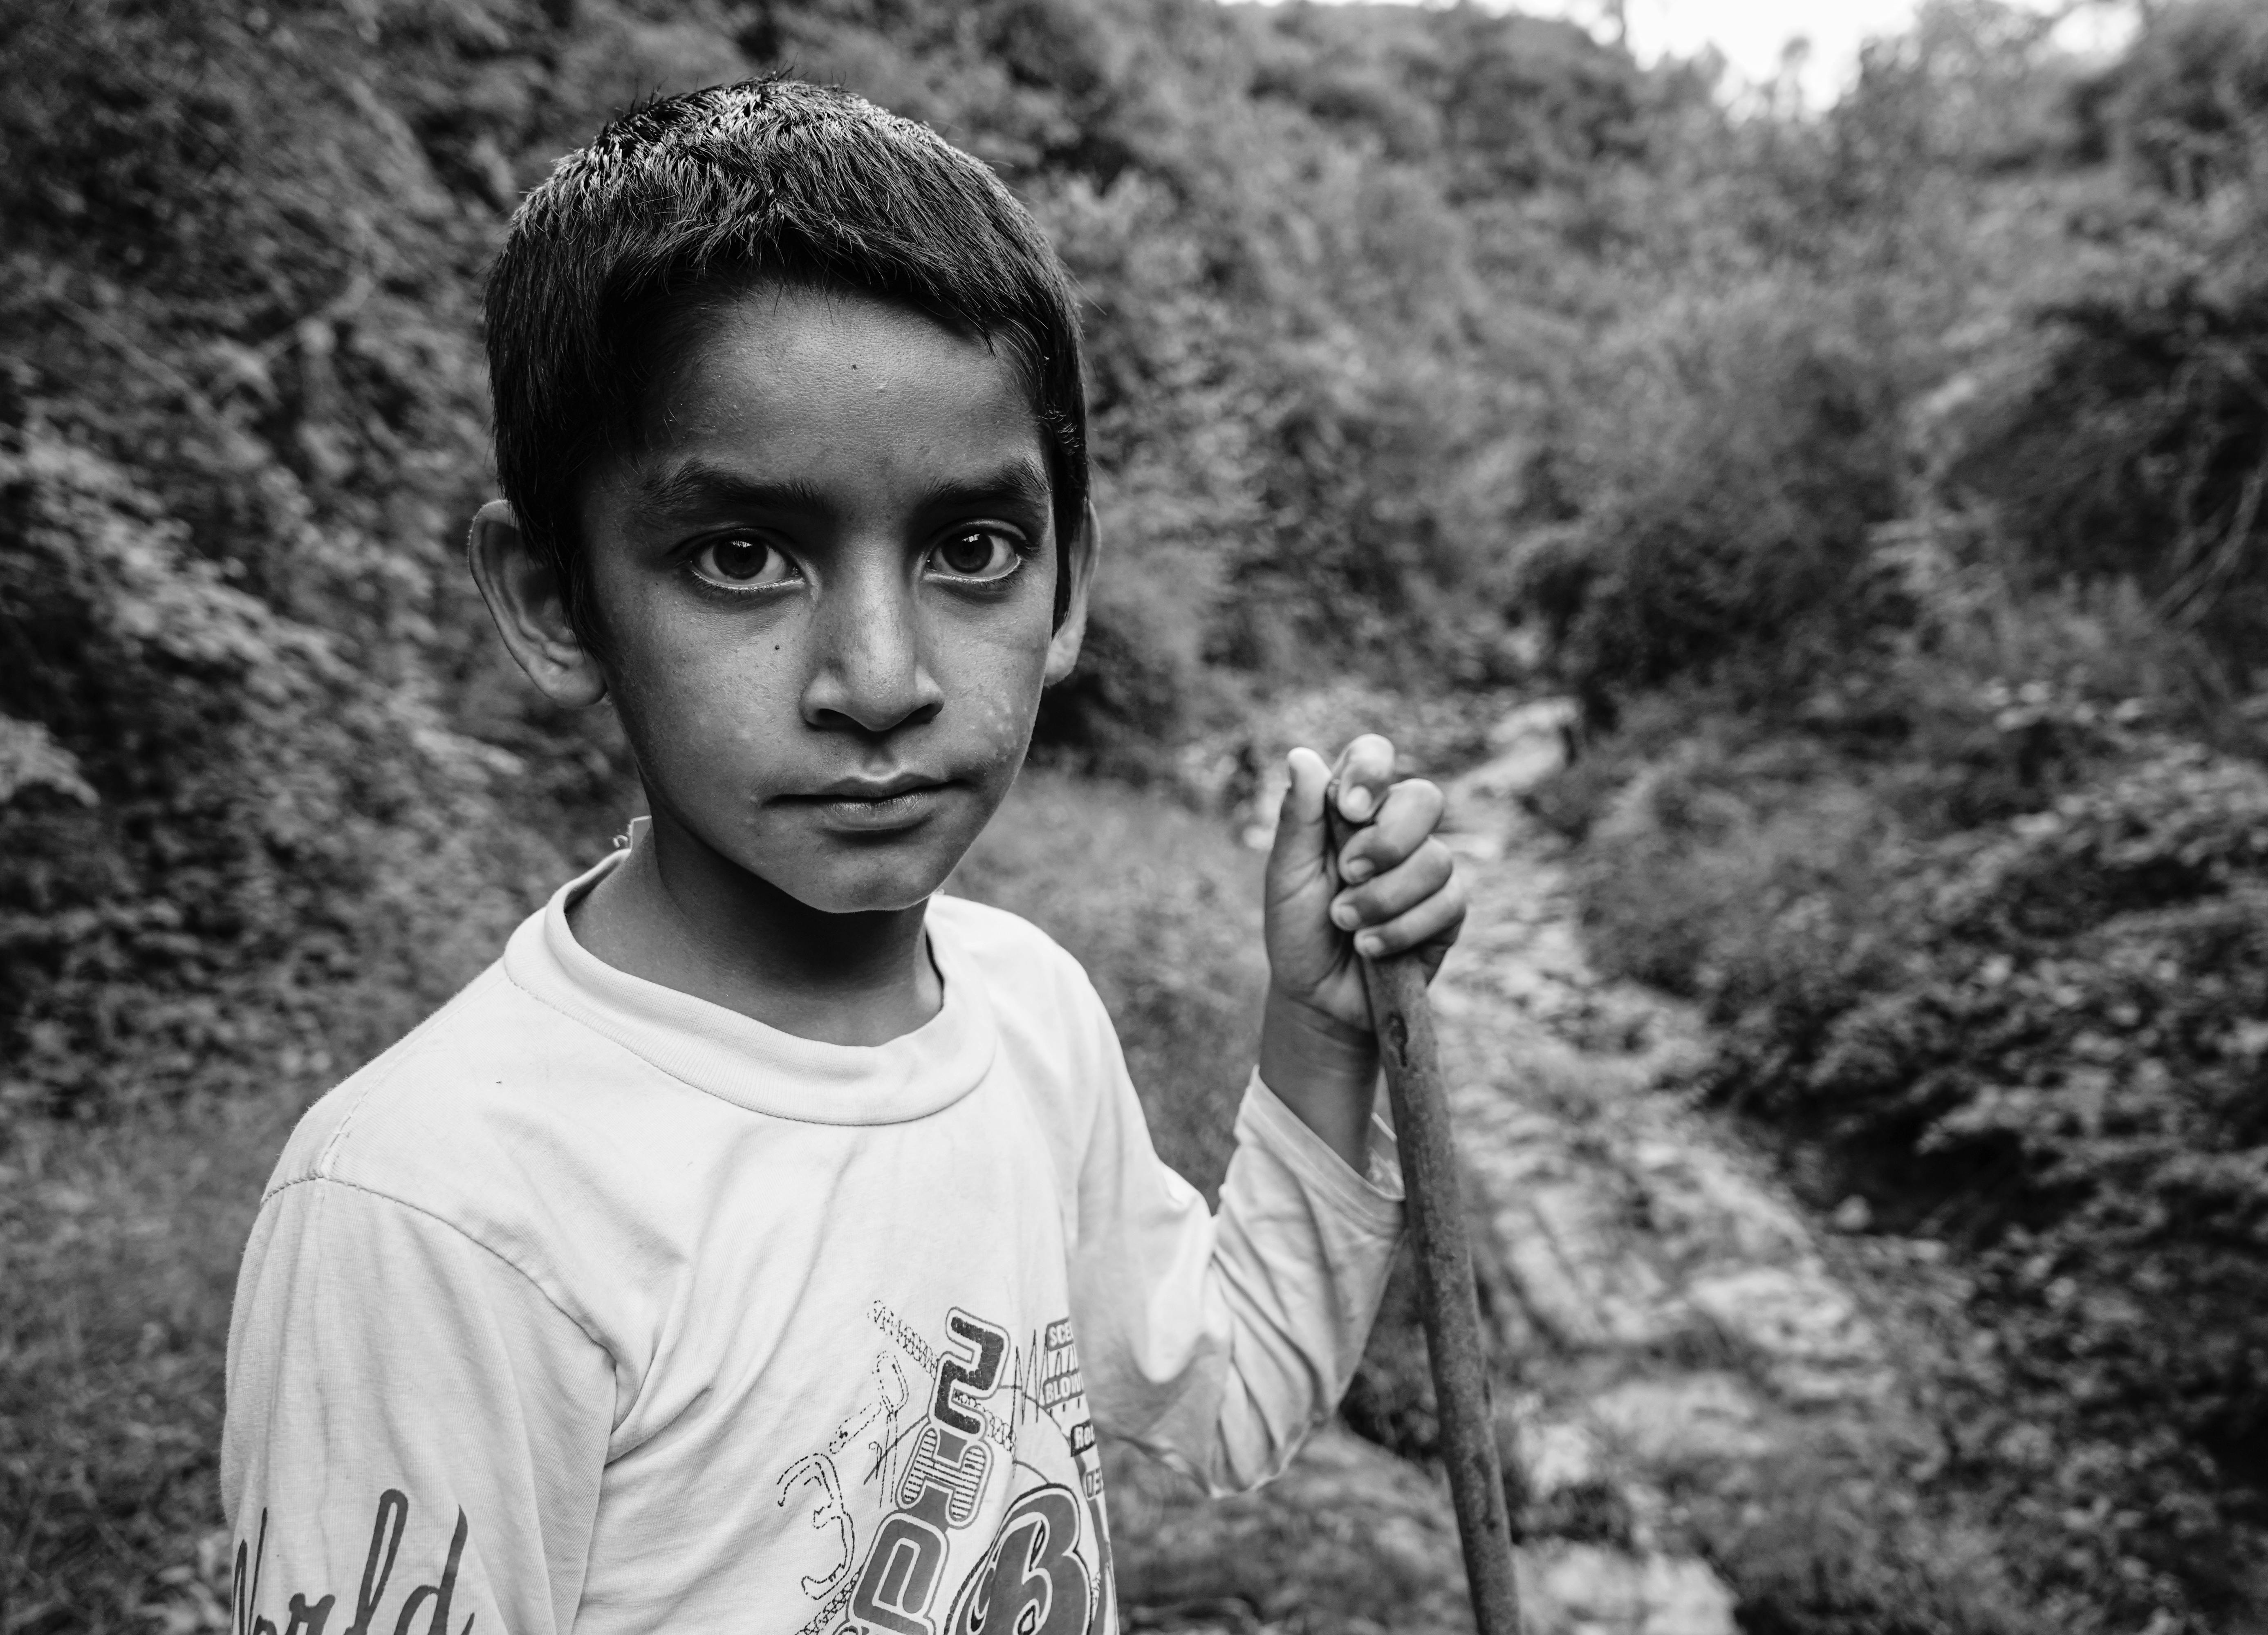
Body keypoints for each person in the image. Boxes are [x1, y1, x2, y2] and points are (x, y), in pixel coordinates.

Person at [218, 78, 1466, 1635]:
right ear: (552, 598)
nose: (880, 678)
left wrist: (1324, 1040)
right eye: (740, 557)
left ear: (1069, 585)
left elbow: (1228, 1401)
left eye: (972, 551)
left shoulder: (1025, 1013)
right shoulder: (435, 1214)